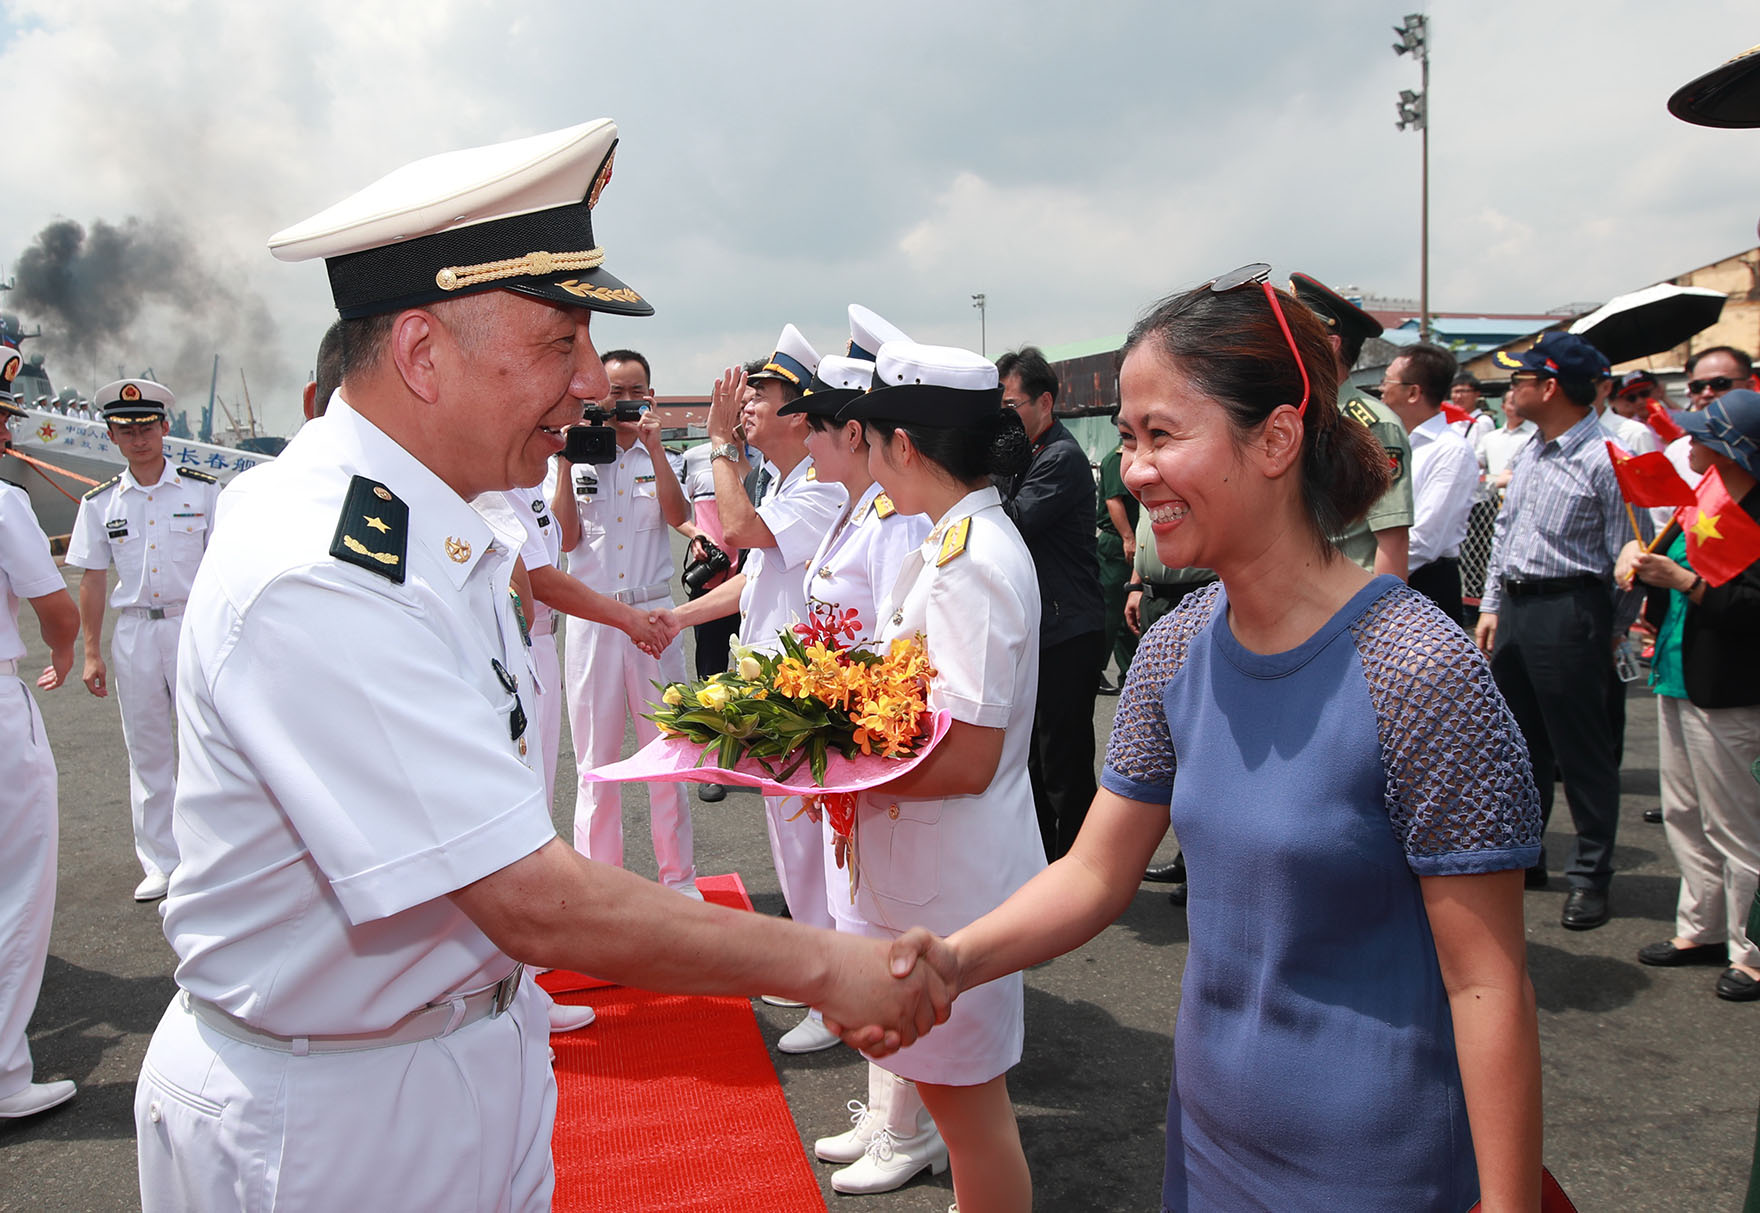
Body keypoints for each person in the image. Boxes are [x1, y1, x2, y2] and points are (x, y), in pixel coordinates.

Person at [133, 119, 951, 1213]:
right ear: (424, 354)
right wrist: (822, 962)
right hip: (330, 1121)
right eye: (558, 344)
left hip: (455, 1054)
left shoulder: (436, 531)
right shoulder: (322, 567)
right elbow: (530, 898)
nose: (582, 387)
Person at [876, 265, 1544, 1211]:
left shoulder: (1418, 669)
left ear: (1275, 438)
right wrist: (951, 960)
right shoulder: (1177, 648)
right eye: (1132, 437)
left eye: (1161, 435)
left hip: (1378, 1168)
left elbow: (1489, 982)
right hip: (1209, 1145)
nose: (1135, 469)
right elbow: (1097, 874)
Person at [831, 339, 1048, 1213]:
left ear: (905, 448)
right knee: (965, 1119)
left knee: (973, 1122)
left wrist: (833, 777)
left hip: (956, 891)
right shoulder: (949, 543)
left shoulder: (970, 562)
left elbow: (969, 754)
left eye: (872, 440)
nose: (870, 460)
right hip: (936, 878)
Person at [771, 339, 942, 1187]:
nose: (805, 444)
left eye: (819, 430)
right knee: (858, 917)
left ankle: (909, 1125)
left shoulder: (898, 520)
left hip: (875, 750)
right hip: (845, 750)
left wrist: (835, 707)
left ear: (852, 435)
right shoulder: (851, 509)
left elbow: (891, 646)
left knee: (883, 929)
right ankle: (883, 1112)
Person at [671, 322, 848, 1051]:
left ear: (801, 413)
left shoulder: (820, 485)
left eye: (764, 395)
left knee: (810, 844)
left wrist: (719, 444)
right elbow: (754, 577)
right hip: (777, 680)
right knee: (791, 839)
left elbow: (739, 530)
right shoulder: (788, 479)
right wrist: (672, 616)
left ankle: (834, 995)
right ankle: (817, 968)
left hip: (806, 687)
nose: (748, 406)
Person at [1477, 330, 1646, 929]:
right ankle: (1529, 856)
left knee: (1581, 750)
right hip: (1519, 609)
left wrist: (1614, 630)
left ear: (1550, 387)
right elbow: (1506, 533)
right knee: (1518, 745)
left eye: (1521, 380)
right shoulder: (1530, 450)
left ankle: (1592, 874)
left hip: (1573, 609)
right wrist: (1492, 604)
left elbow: (1629, 556)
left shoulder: (1608, 459)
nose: (1512, 389)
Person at [1616, 388, 1760, 1002]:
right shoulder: (1705, 495)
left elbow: (1751, 608)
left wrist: (1686, 582)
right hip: (1677, 674)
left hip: (1729, 687)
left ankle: (1751, 951)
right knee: (1683, 813)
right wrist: (1640, 563)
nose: (1688, 441)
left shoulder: (1751, 512)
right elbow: (1667, 564)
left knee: (1738, 824)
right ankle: (1699, 928)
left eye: (1702, 434)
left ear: (1732, 450)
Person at [549, 348, 700, 898]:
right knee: (595, 760)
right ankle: (601, 889)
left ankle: (678, 883)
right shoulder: (575, 457)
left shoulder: (659, 457)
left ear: (650, 394)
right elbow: (564, 540)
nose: (625, 401)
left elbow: (676, 514)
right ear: (596, 396)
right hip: (594, 620)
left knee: (669, 753)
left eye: (636, 390)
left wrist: (657, 449)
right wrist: (566, 461)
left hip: (655, 616)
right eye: (615, 392)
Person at [66, 378, 223, 902]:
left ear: (165, 427)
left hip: (191, 624)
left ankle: (217, 856)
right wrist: (90, 651)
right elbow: (91, 578)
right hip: (134, 630)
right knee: (148, 750)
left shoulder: (203, 490)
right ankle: (161, 861)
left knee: (209, 743)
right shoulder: (101, 504)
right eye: (125, 429)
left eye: (146, 426)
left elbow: (226, 569)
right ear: (111, 435)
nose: (138, 438)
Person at [0, 391, 81, 1120]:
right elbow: (58, 609)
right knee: (18, 882)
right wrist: (62, 652)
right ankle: (2, 1072)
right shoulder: (5, 503)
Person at [995, 345, 1104, 862]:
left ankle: (1081, 870)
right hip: (1042, 630)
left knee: (1063, 762)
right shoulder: (1029, 456)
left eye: (1012, 406)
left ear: (1045, 402)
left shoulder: (1060, 457)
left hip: (1069, 631)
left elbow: (1012, 521)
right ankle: (1040, 867)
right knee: (1032, 760)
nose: (1006, 418)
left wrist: (986, 470)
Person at [1290, 271, 1414, 580]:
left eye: (1297, 336)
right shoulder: (1290, 414)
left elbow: (1392, 539)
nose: (1285, 343)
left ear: (1330, 344)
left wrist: (1383, 624)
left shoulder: (1372, 424)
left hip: (1348, 604)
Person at [1381, 344, 1478, 624]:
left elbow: (1425, 540)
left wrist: (1364, 577)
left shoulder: (1451, 450)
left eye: (1387, 381)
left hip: (1423, 585)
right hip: (1382, 576)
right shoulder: (1389, 440)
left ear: (1413, 393)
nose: (1381, 390)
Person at [1095, 436, 1138, 693]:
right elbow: (1114, 501)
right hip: (1117, 542)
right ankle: (1095, 668)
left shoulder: (1132, 457)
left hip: (1126, 541)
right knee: (1110, 611)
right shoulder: (1116, 459)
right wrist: (1129, 538)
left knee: (1127, 614)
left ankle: (1129, 672)